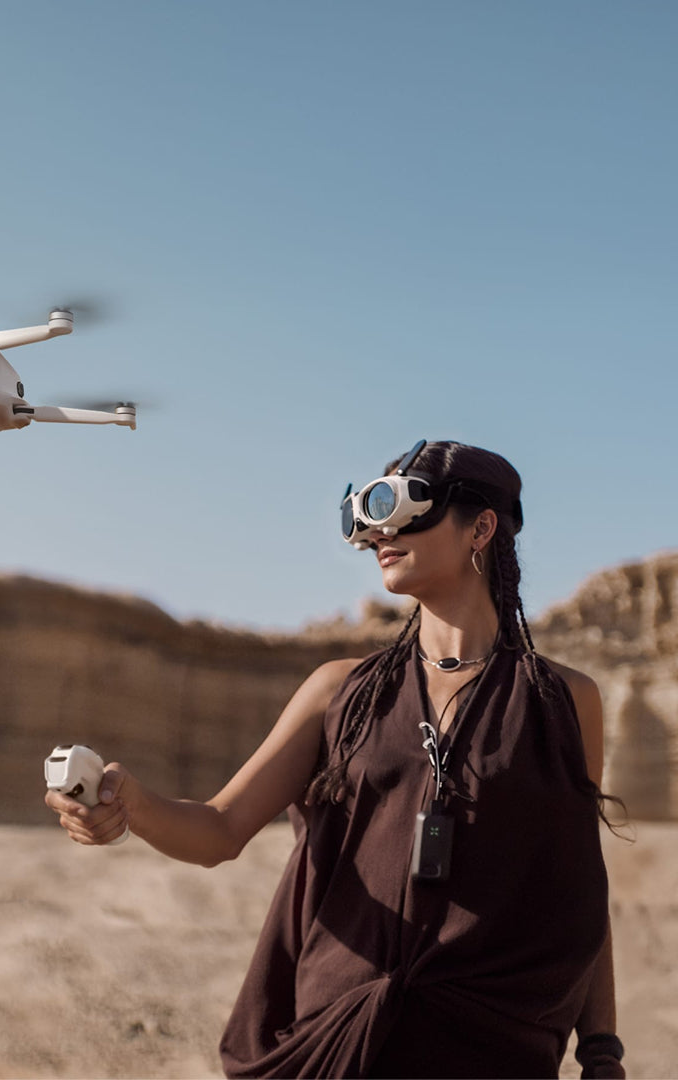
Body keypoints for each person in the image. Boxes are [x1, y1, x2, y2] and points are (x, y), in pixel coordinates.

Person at [45, 440, 626, 1079]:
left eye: (401, 503)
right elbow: (218, 830)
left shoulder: (563, 701)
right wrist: (130, 805)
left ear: (480, 527)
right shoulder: (339, 692)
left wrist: (602, 1050)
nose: (378, 530)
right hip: (337, 1044)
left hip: (492, 1050)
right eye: (363, 513)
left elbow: (576, 889)